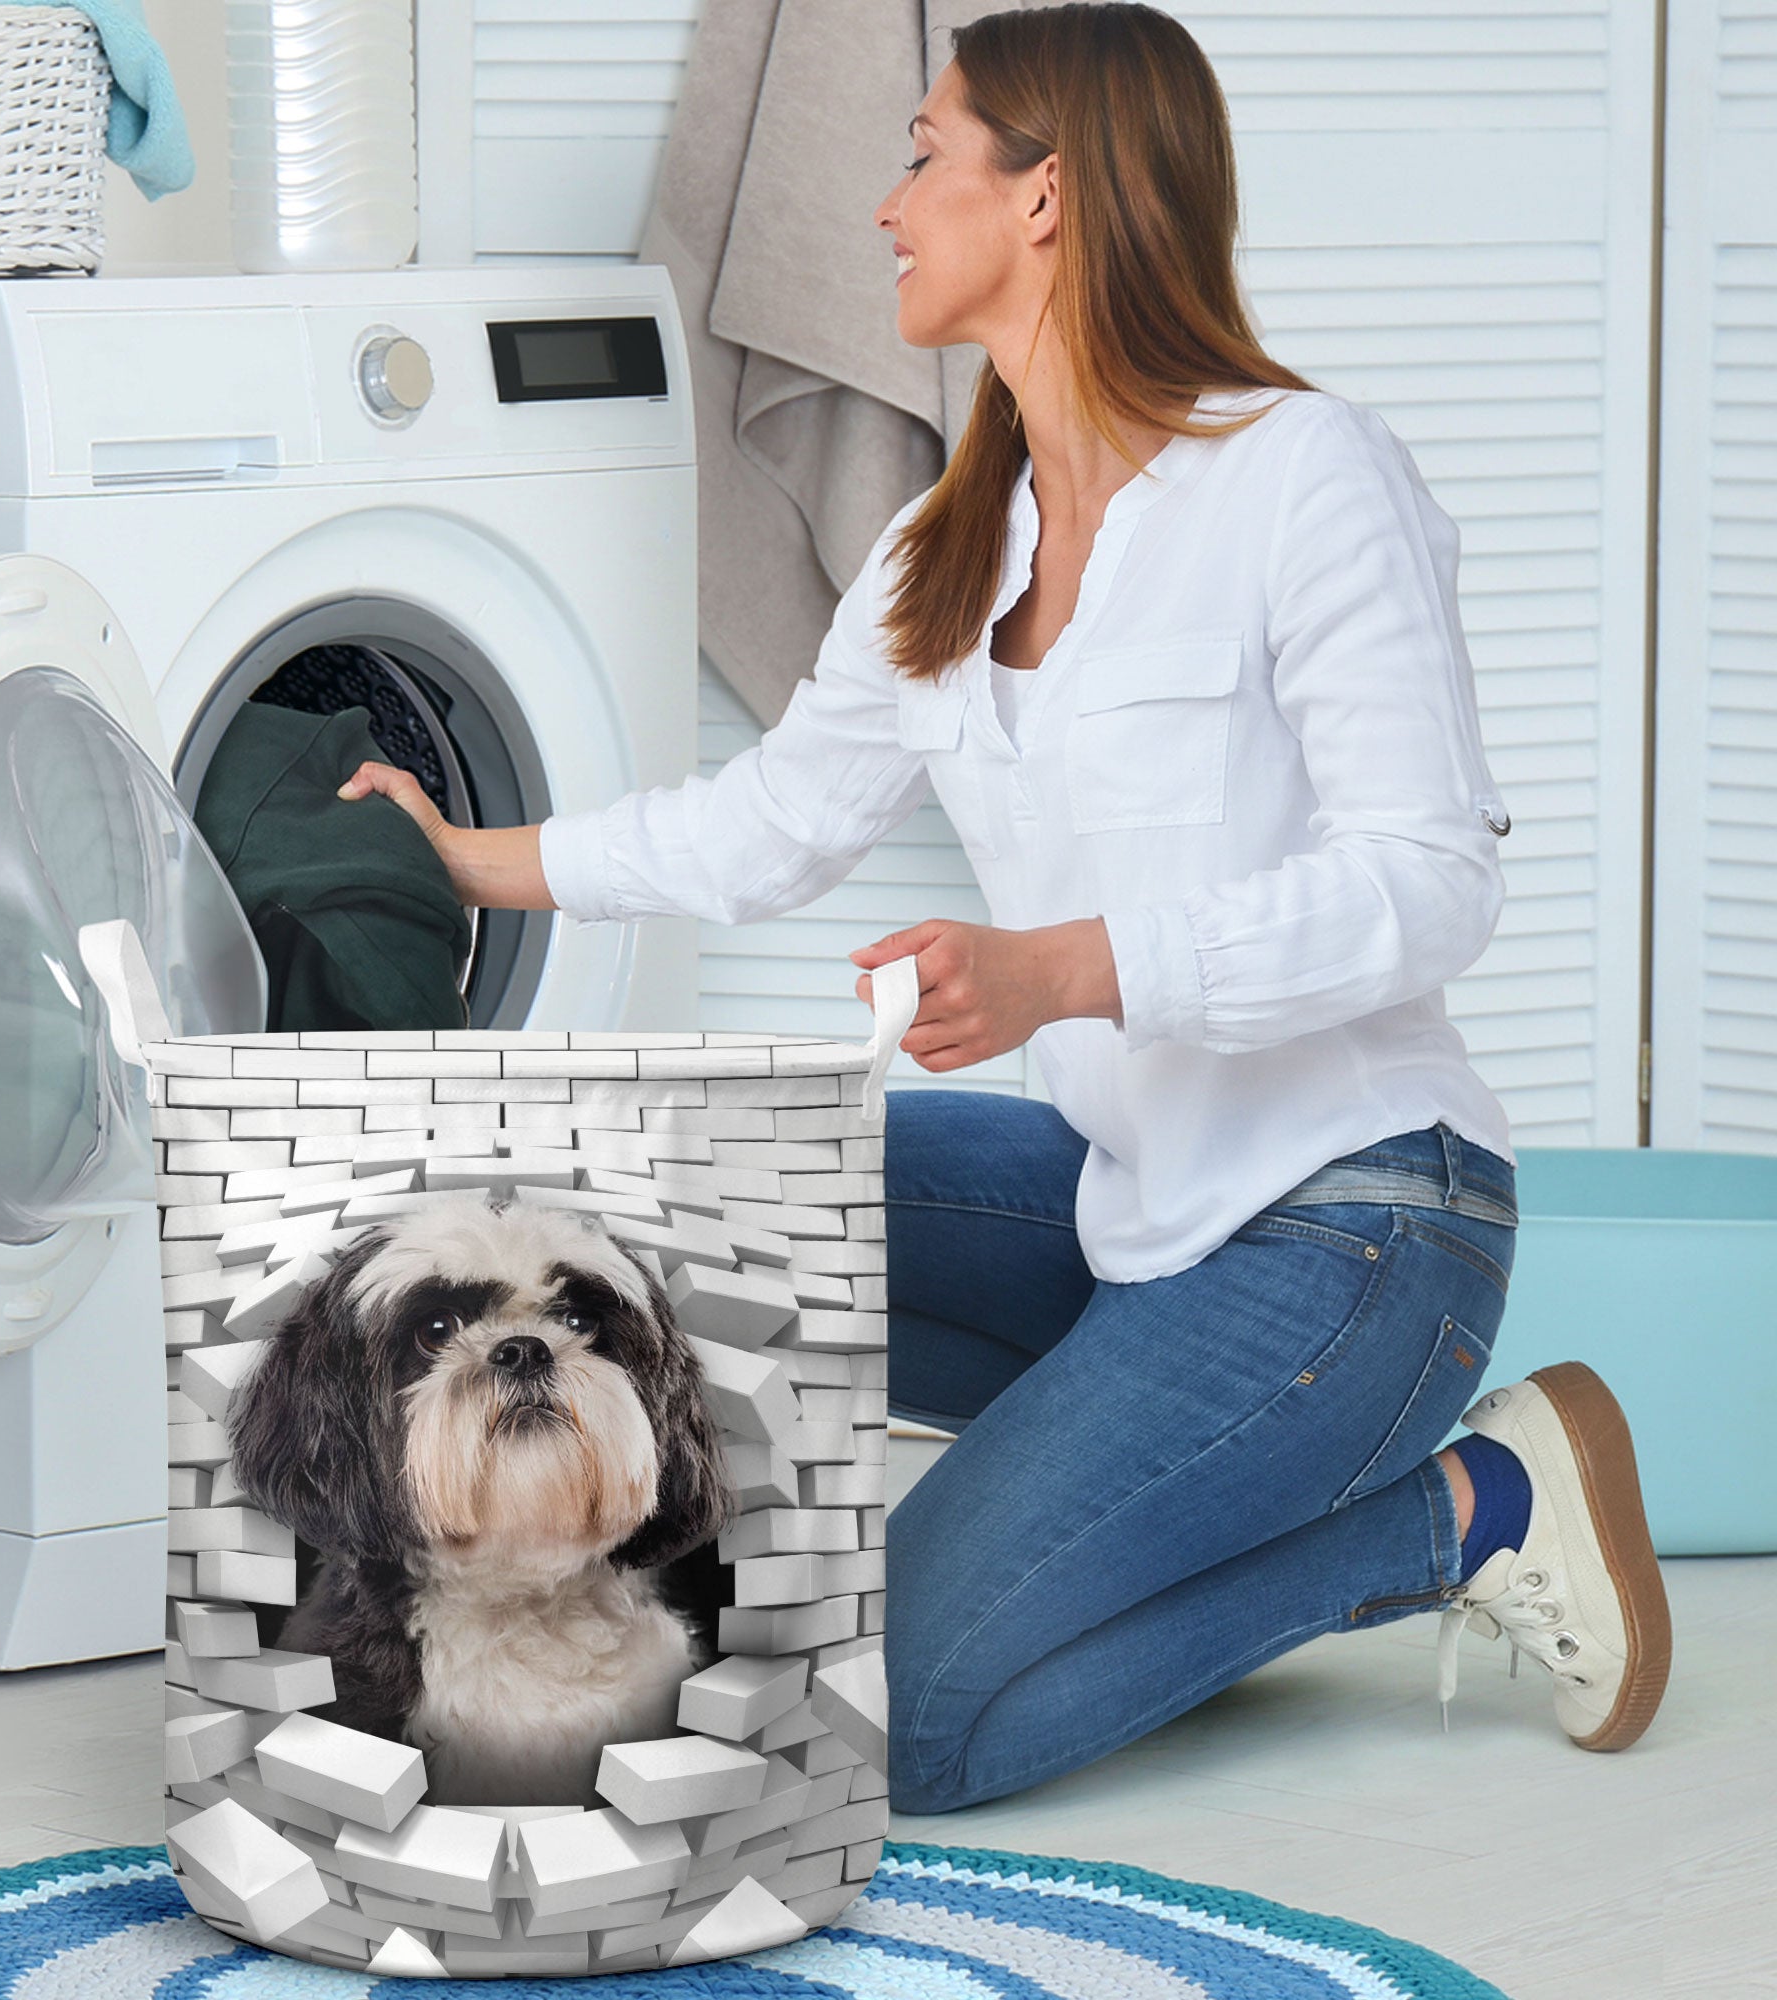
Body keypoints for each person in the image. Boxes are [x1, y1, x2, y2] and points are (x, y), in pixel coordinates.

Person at [337, 0, 1672, 1816]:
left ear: (1045, 198)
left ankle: (1468, 1512)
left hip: (1360, 1228)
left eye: (922, 155)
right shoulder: (946, 545)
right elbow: (773, 824)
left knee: (914, 1721)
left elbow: (1432, 886)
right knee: (691, 1206)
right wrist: (484, 855)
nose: (884, 205)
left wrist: (1071, 972)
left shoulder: (1301, 475)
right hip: (1137, 1214)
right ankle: (1080, 1494)